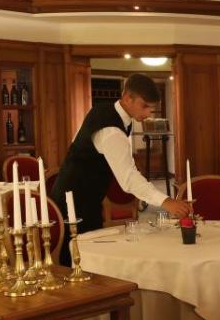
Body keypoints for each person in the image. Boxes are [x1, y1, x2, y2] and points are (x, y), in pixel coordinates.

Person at [51, 74, 190, 264]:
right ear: (127, 98)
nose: (149, 113)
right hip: (75, 203)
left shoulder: (110, 113)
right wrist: (166, 201)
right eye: (144, 106)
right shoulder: (111, 130)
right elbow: (128, 178)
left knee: (91, 260)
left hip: (87, 198)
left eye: (151, 107)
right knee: (80, 262)